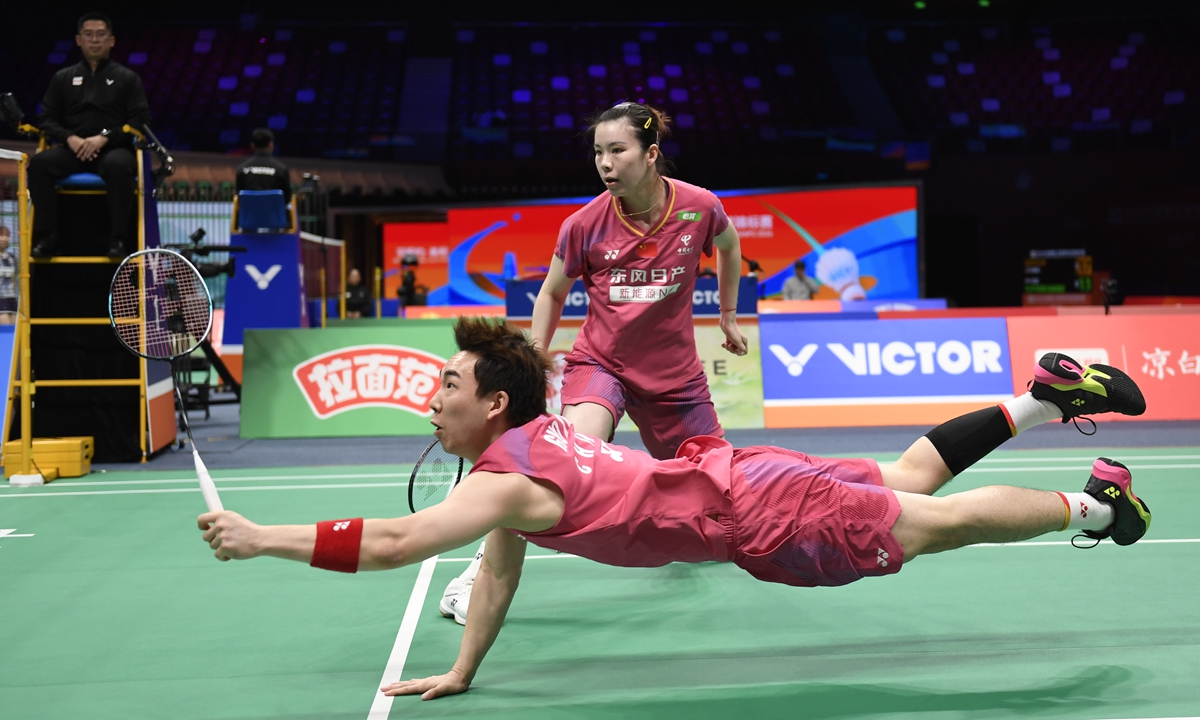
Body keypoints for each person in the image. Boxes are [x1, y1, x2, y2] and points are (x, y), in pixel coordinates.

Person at [200, 318, 1151, 702]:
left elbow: (400, 543)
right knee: (908, 482)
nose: (431, 396)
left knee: (934, 525)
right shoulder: (543, 435)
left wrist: (259, 538)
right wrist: (462, 665)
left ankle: (1095, 506)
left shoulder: (504, 478)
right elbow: (497, 564)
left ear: (493, 405)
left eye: (446, 382)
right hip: (741, 470)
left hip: (757, 517)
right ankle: (1041, 398)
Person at [439, 102, 752, 622]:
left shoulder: (698, 207)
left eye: (617, 151)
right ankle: (474, 575)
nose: (605, 163)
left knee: (723, 488)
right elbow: (551, 294)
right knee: (556, 465)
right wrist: (532, 361)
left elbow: (729, 244)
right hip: (601, 364)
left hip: (676, 378)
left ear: (651, 154)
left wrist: (728, 315)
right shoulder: (584, 224)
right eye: (598, 153)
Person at [28, 12, 150, 259]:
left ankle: (117, 240)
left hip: (113, 149)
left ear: (112, 41)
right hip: (73, 148)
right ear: (78, 40)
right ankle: (49, 237)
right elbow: (46, 119)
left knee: (119, 165)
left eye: (101, 35)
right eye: (89, 35)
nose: (95, 40)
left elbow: (139, 120)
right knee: (39, 165)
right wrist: (70, 138)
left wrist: (105, 138)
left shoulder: (127, 78)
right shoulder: (63, 77)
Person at [235, 128, 291, 203]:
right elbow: (287, 199)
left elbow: (239, 197)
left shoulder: (242, 169)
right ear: (271, 145)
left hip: (249, 214)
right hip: (274, 214)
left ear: (252, 145)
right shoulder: (281, 169)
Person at [0, 225, 16, 323]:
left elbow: (14, 278)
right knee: (5, 328)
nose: (5, 238)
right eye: (1, 235)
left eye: (7, 236)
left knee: (14, 330)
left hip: (11, 297)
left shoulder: (11, 257)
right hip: (0, 298)